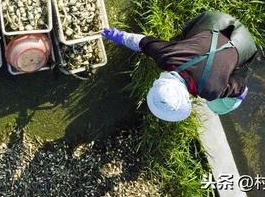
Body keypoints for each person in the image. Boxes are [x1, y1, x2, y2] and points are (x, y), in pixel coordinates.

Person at [103, 11, 257, 122]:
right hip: (218, 20)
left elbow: (241, 88)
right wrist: (117, 35)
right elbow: (142, 42)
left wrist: (229, 77)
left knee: (237, 71)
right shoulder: (167, 56)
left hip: (240, 39)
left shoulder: (212, 91)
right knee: (179, 40)